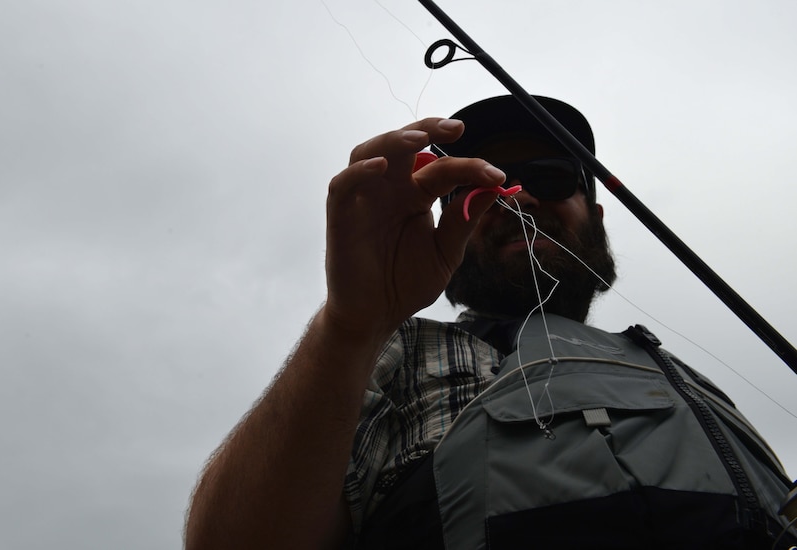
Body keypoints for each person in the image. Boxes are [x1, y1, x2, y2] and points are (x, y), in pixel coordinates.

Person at [184, 96, 797, 549]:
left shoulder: (679, 376)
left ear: (598, 217)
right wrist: (352, 323)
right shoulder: (375, 352)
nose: (520, 197)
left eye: (552, 177)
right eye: (484, 188)